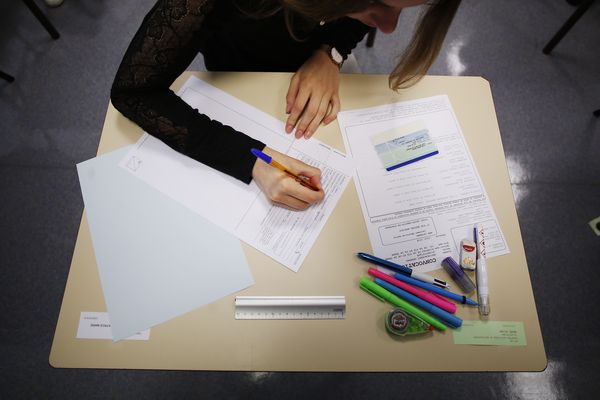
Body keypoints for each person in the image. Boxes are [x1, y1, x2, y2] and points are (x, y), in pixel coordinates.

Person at [111, 0, 461, 210]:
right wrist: (254, 160)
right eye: (378, 4)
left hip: (320, 61)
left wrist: (331, 53)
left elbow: (350, 21)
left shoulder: (353, 14)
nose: (388, 29)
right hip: (237, 72)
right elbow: (134, 91)